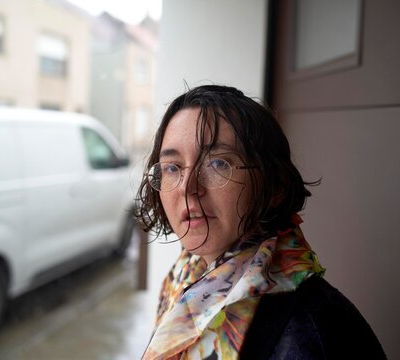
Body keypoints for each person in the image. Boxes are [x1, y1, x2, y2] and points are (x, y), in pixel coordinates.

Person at [136, 85, 386, 359]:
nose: (187, 187)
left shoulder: (310, 328)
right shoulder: (186, 274)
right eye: (172, 167)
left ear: (274, 185)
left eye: (218, 163)